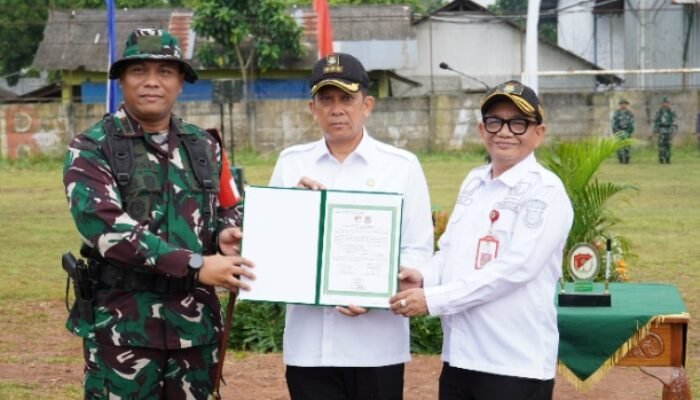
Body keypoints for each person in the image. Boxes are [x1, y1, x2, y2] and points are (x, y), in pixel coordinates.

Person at [62, 29, 255, 399]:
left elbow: (231, 209)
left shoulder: (204, 146)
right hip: (123, 332)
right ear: (121, 80)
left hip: (195, 332)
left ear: (181, 81)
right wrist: (198, 264)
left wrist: (226, 235)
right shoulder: (91, 148)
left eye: (165, 71)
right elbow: (106, 228)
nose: (152, 82)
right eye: (139, 71)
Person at [389, 80, 574, 400]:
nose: (504, 131)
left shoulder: (545, 191)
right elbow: (449, 251)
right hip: (461, 357)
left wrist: (433, 299)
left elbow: (515, 270)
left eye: (518, 123)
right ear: (481, 129)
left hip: (513, 363)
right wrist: (423, 277)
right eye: (494, 121)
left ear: (538, 133)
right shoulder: (474, 183)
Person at [269, 53, 434, 400]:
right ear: (312, 108)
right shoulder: (291, 164)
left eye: (347, 98)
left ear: (367, 104)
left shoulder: (400, 167)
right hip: (309, 344)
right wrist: (292, 211)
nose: (336, 109)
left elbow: (418, 248)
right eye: (326, 100)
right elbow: (272, 248)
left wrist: (376, 291)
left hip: (376, 344)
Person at [653, 97, 678, 164]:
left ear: (669, 103)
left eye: (667, 103)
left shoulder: (671, 112)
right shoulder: (659, 112)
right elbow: (656, 121)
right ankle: (661, 159)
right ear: (662, 104)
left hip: (669, 130)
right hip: (661, 130)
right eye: (664, 103)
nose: (665, 104)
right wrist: (655, 131)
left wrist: (674, 131)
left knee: (668, 145)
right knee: (661, 145)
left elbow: (675, 122)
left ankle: (667, 159)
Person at [611, 98, 635, 163]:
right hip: (619, 131)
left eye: (625, 104)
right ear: (620, 105)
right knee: (619, 146)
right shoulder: (617, 113)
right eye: (622, 104)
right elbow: (613, 123)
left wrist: (629, 132)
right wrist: (616, 131)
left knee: (627, 146)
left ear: (627, 105)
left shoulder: (630, 113)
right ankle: (620, 159)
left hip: (627, 132)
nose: (623, 105)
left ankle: (627, 159)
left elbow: (632, 123)